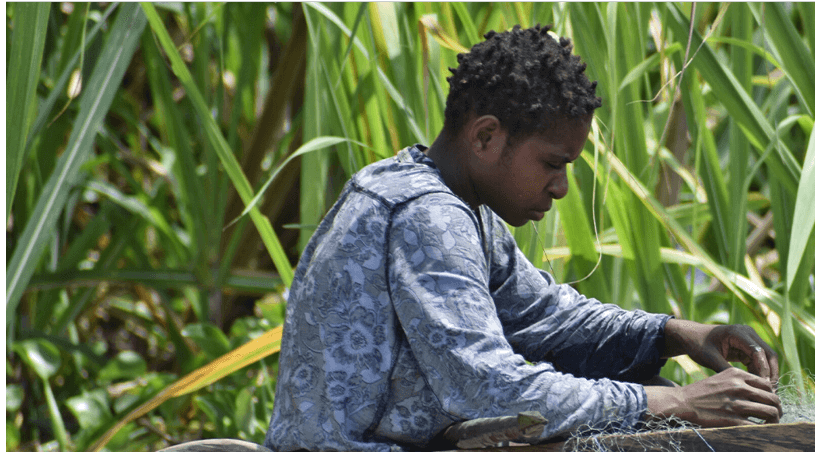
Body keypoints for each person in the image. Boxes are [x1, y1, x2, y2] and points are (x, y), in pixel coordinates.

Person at [265, 24, 782, 452]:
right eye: (552, 163)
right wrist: (681, 403)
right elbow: (493, 390)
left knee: (652, 397)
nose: (559, 187)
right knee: (660, 406)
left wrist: (679, 334)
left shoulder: (462, 207)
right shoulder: (426, 215)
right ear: (486, 136)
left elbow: (549, 319)